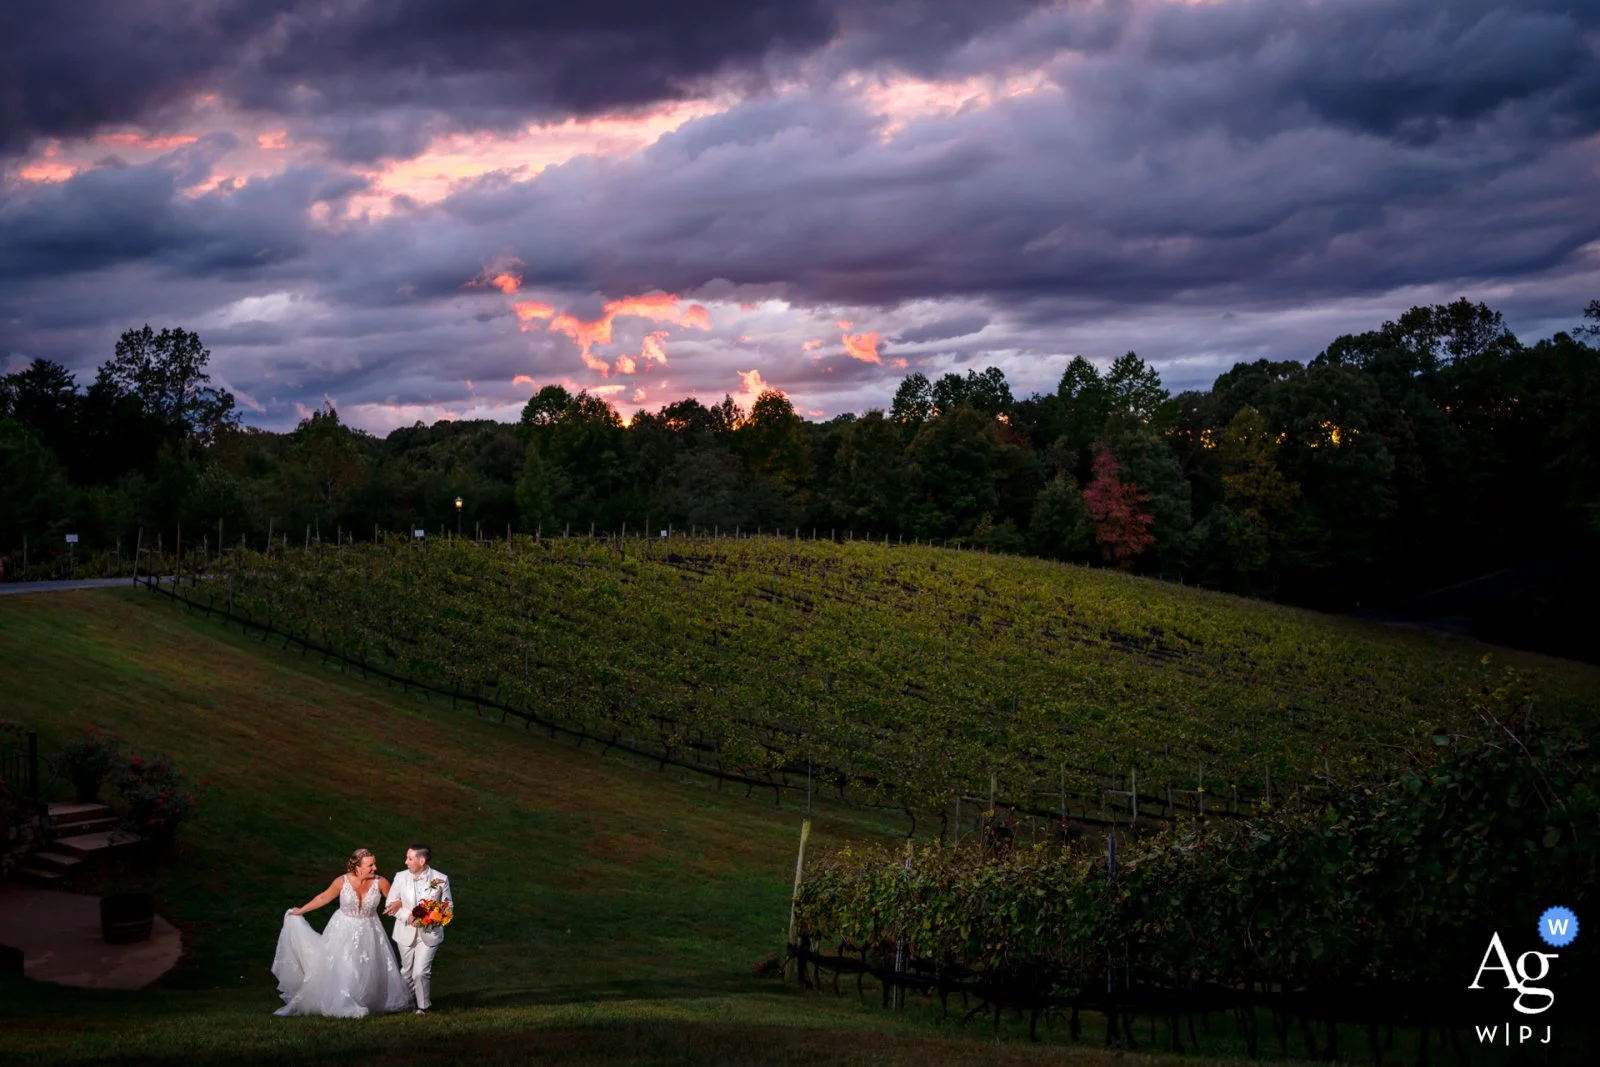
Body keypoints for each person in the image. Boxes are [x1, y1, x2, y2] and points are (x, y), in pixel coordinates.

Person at [271, 848, 413, 1017]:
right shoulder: (341, 881)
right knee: (345, 965)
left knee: (366, 967)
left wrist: (399, 906)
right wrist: (301, 910)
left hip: (369, 929)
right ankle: (344, 1002)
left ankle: (364, 1000)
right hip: (342, 929)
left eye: (375, 864)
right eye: (370, 865)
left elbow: (395, 900)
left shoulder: (381, 882)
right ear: (357, 867)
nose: (375, 868)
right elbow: (323, 897)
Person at [383, 843, 452, 1014]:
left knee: (420, 972)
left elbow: (448, 907)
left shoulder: (440, 879)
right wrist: (409, 916)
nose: (406, 862)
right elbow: (390, 904)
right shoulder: (400, 877)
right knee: (406, 972)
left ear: (421, 861)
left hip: (429, 933)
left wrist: (432, 917)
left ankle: (423, 1007)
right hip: (405, 931)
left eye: (410, 858)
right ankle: (408, 1003)